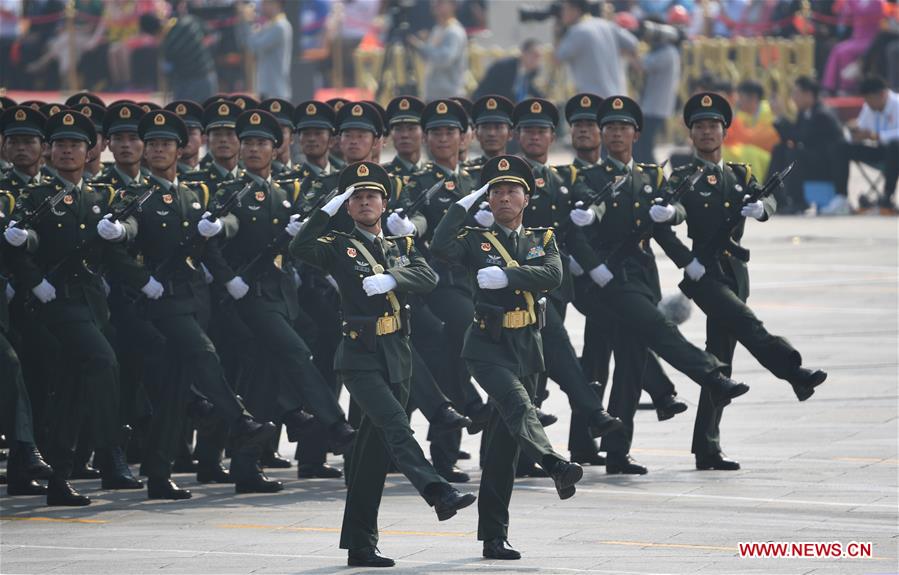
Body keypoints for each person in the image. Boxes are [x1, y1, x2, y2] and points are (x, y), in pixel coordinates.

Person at [290, 161, 477, 568]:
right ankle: (437, 491)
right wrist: (325, 210)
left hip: (397, 356)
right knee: (396, 425)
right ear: (347, 206)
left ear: (384, 203)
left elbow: (428, 278)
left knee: (370, 458)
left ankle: (360, 544)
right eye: (356, 197)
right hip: (360, 357)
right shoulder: (337, 245)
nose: (364, 202)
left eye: (371, 196)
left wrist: (394, 279)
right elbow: (299, 248)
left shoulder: (401, 246)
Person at [659, 92, 828, 470]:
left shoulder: (739, 174)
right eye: (700, 126)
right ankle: (793, 371)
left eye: (713, 126)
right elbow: (672, 215)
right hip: (704, 273)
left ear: (724, 132)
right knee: (749, 324)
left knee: (721, 362)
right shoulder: (684, 177)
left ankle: (707, 447)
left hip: (736, 271)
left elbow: (771, 199)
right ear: (691, 134)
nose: (706, 132)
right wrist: (686, 260)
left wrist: (762, 208)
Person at [431, 154, 585, 560]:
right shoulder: (474, 240)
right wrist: (462, 204)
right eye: (496, 191)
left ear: (526, 198)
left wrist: (509, 276)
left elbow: (553, 274)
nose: (503, 197)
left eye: (511, 191)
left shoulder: (541, 238)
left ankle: (494, 536)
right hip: (487, 346)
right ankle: (554, 464)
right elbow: (439, 245)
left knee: (503, 449)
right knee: (518, 405)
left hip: (527, 349)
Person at [4, 111, 143, 506]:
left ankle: (59, 478)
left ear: (90, 152)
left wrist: (126, 240)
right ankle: (111, 448)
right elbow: (16, 242)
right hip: (54, 303)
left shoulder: (99, 197)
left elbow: (123, 238)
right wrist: (34, 281)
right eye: (61, 145)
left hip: (91, 303)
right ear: (50, 151)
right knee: (103, 361)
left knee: (69, 390)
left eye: (75, 145)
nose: (67, 151)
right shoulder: (36, 195)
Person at [768, 76, 845, 214]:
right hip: (810, 160)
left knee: (795, 154)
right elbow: (791, 137)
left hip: (826, 165)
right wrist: (779, 118)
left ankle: (798, 202)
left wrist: (781, 116)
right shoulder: (804, 113)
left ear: (808, 95)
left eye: (796, 93)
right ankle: (775, 198)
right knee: (779, 149)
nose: (793, 98)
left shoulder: (822, 115)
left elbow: (802, 137)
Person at [836, 76, 899, 214]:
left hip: (895, 153)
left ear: (882, 94)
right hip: (880, 151)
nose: (868, 103)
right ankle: (841, 197)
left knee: (894, 147)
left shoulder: (897, 104)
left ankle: (887, 196)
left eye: (870, 99)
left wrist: (876, 136)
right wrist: (855, 133)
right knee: (843, 147)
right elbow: (863, 128)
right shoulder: (869, 107)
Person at [554, 0, 638, 98]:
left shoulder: (577, 31)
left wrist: (557, 32)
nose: (562, 13)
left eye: (565, 9)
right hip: (618, 97)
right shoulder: (606, 24)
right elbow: (634, 44)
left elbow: (557, 59)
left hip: (593, 100)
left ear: (575, 10)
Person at [635, 26, 680, 164]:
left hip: (655, 107)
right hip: (654, 106)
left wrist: (630, 51)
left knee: (644, 145)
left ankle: (653, 172)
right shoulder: (669, 52)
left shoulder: (667, 53)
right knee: (642, 145)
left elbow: (641, 64)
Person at [408, 0, 468, 100]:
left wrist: (420, 46)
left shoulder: (454, 31)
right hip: (432, 94)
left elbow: (444, 59)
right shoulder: (438, 28)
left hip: (449, 96)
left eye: (441, 2)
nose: (435, 4)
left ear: (453, 6)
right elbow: (429, 59)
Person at [162, 0, 218, 102]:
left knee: (185, 109)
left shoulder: (189, 22)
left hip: (197, 78)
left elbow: (213, 36)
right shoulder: (190, 21)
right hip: (194, 78)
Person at [238, 0, 293, 100]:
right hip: (269, 90)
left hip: (276, 92)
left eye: (266, 3)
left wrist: (247, 22)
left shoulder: (280, 26)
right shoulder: (271, 24)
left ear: (276, 4)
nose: (262, 6)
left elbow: (254, 46)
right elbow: (248, 41)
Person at [472, 38, 543, 102]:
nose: (537, 60)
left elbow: (529, 88)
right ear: (523, 53)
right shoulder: (503, 67)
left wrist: (544, 102)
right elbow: (483, 90)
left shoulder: (532, 71)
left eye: (539, 56)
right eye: (535, 55)